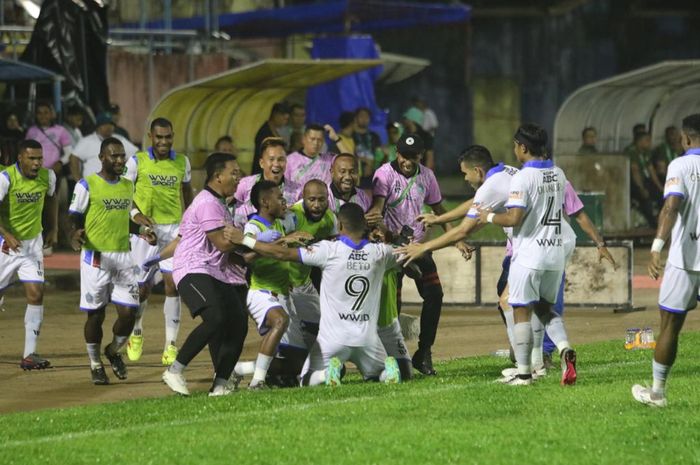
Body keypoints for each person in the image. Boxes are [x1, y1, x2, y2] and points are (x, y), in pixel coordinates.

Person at [225, 202, 402, 387]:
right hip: (367, 339)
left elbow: (281, 254)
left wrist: (245, 240)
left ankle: (326, 374)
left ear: (340, 225)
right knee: (377, 374)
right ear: (365, 226)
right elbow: (411, 256)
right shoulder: (381, 252)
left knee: (307, 380)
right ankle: (385, 372)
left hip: (334, 340)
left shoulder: (328, 250)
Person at [477, 123, 577, 386]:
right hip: (555, 255)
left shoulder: (522, 177)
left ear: (523, 147)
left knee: (520, 309)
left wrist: (486, 216)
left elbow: (513, 217)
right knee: (544, 308)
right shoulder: (558, 173)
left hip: (530, 254)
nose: (514, 150)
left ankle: (524, 374)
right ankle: (565, 347)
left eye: (515, 145)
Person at [161, 152, 249, 397]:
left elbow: (185, 239)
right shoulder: (208, 202)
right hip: (192, 268)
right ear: (218, 176)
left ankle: (221, 384)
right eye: (234, 173)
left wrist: (252, 254)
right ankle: (175, 370)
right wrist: (252, 241)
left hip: (214, 271)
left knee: (239, 322)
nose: (238, 177)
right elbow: (223, 244)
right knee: (216, 318)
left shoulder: (219, 203)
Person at [68, 137, 154, 385]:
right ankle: (95, 363)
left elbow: (121, 219)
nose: (119, 160)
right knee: (96, 315)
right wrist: (74, 233)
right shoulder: (87, 185)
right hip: (96, 258)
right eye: (114, 156)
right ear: (102, 158)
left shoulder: (127, 186)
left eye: (122, 156)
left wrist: (140, 232)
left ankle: (113, 351)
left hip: (123, 256)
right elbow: (73, 216)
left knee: (129, 313)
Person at [367, 133, 450, 376]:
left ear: (420, 156)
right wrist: (384, 232)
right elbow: (378, 209)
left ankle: (424, 353)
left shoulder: (427, 175)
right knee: (393, 302)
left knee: (435, 293)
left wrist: (458, 238)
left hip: (417, 247)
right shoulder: (383, 174)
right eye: (404, 155)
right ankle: (391, 356)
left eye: (413, 157)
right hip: (392, 248)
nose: (408, 161)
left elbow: (438, 209)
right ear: (396, 152)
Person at [632, 114, 700, 407]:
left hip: (686, 258)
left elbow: (671, 208)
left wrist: (657, 247)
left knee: (670, 323)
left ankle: (657, 393)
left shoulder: (681, 164)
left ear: (685, 139)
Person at [123, 117, 194, 366]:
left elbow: (187, 193)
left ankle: (170, 345)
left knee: (172, 285)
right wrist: (136, 217)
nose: (164, 141)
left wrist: (188, 220)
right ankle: (137, 331)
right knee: (141, 289)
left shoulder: (181, 162)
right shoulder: (136, 161)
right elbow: (124, 193)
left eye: (168, 137)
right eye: (159, 137)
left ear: (173, 136)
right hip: (145, 231)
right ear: (150, 136)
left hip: (173, 230)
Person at [242, 180, 310, 389]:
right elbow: (246, 257)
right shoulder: (254, 225)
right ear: (264, 202)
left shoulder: (280, 224)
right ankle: (257, 382)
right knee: (280, 321)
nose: (284, 201)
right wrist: (279, 242)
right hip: (260, 291)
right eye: (279, 198)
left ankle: (238, 370)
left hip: (281, 294)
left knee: (299, 362)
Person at [0, 139, 58, 370]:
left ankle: (29, 354)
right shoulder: (5, 179)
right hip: (5, 246)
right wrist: (6, 235)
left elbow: (53, 199)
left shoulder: (48, 177)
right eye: (32, 159)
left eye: (39, 159)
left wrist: (54, 228)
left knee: (36, 293)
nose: (36, 164)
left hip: (32, 245)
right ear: (20, 159)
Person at [235, 137, 299, 214]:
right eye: (271, 159)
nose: (276, 164)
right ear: (261, 163)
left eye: (281, 159)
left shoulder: (297, 191)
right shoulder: (244, 185)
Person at [69, 112, 138, 180]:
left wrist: (127, 173)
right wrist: (78, 179)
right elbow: (73, 158)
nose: (109, 127)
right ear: (98, 126)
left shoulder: (119, 139)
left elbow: (137, 154)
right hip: (92, 185)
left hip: (114, 185)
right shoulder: (87, 141)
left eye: (111, 124)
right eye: (105, 124)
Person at [284, 124, 336, 200]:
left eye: (319, 140)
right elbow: (285, 188)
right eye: (312, 139)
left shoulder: (329, 160)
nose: (316, 143)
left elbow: (350, 160)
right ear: (303, 139)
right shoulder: (290, 160)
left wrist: (336, 139)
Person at [25, 102, 72, 177]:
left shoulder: (61, 130)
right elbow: (25, 152)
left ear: (51, 114)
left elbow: (69, 152)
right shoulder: (31, 131)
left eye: (46, 112)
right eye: (39, 113)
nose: (42, 116)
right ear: (36, 115)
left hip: (54, 173)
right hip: (35, 173)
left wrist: (60, 162)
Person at [626, 130, 660, 228]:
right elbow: (635, 172)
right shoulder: (632, 152)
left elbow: (651, 170)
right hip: (633, 183)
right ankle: (652, 224)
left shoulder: (645, 153)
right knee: (645, 199)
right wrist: (641, 188)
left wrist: (661, 187)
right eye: (647, 140)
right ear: (639, 141)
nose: (649, 143)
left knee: (660, 196)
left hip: (646, 181)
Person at [252, 102, 290, 175]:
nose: (285, 122)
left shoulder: (273, 130)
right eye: (284, 119)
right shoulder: (265, 133)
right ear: (276, 115)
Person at [353, 107, 381, 188]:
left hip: (372, 175)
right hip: (356, 175)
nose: (364, 119)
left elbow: (379, 155)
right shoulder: (351, 135)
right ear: (356, 118)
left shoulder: (375, 136)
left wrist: (372, 165)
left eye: (367, 117)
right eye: (361, 116)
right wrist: (363, 161)